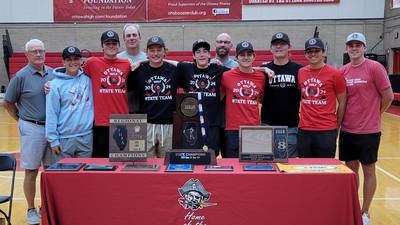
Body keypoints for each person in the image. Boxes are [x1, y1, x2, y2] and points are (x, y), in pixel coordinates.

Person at [339, 32, 394, 225]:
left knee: (369, 170)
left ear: (364, 47)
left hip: (369, 131)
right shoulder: (343, 71)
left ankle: (365, 211)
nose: (354, 48)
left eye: (358, 45)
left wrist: (375, 114)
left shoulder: (375, 68)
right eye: (351, 45)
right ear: (347, 48)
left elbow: (388, 97)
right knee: (351, 171)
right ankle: (353, 207)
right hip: (347, 130)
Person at [3, 39, 53, 224]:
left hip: (52, 128)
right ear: (26, 55)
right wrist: (21, 119)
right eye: (34, 51)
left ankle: (47, 206)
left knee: (51, 171)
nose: (38, 54)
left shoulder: (54, 74)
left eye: (41, 50)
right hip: (32, 127)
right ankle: (31, 209)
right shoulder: (20, 77)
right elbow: (7, 102)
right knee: (31, 170)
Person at [176, 39, 230, 156]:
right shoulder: (186, 68)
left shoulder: (218, 69)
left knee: (211, 157)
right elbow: (165, 62)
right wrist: (141, 62)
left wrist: (264, 69)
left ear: (209, 55)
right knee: (191, 156)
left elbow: (243, 70)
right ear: (193, 56)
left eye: (205, 51)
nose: (202, 54)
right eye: (198, 52)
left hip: (212, 123)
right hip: (191, 123)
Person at [83, 30, 131, 158]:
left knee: (122, 163)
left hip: (122, 121)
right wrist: (52, 82)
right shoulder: (92, 63)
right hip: (101, 122)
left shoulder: (126, 64)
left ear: (118, 45)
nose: (111, 46)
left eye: (114, 43)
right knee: (100, 164)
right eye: (107, 43)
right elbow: (73, 71)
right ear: (102, 46)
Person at [296, 37, 346, 158]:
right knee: (304, 169)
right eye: (309, 51)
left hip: (326, 130)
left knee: (325, 170)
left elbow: (343, 102)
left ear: (323, 52)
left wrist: (336, 126)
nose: (313, 54)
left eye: (316, 51)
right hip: (304, 130)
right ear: (305, 54)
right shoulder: (301, 72)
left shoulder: (335, 74)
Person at [127, 36, 177, 157]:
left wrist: (168, 61)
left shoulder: (174, 70)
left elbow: (188, 68)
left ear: (165, 52)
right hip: (146, 124)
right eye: (152, 50)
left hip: (169, 125)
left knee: (167, 164)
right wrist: (140, 63)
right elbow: (128, 94)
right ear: (147, 52)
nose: (155, 53)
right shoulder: (138, 71)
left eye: (159, 50)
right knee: (147, 165)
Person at [45, 46, 94, 162]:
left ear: (81, 61)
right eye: (69, 59)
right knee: (64, 177)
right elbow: (51, 112)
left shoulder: (89, 79)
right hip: (63, 139)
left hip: (86, 137)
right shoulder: (55, 85)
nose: (73, 62)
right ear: (63, 62)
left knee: (84, 177)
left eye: (76, 59)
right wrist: (53, 139)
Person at [261, 32, 303, 157]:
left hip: (291, 127)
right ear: (271, 48)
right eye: (275, 44)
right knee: (266, 164)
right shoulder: (264, 70)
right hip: (267, 126)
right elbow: (245, 69)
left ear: (289, 47)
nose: (278, 47)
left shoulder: (299, 70)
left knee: (288, 166)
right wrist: (262, 68)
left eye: (282, 44)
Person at [220, 41, 265, 158]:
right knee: (233, 168)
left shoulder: (261, 77)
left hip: (253, 129)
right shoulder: (226, 76)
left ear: (254, 56)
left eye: (249, 54)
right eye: (242, 55)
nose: (246, 57)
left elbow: (261, 99)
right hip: (233, 129)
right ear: (236, 58)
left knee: (253, 168)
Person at [210, 33, 239, 157]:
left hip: (230, 121)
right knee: (210, 157)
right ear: (215, 44)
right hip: (211, 120)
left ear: (231, 45)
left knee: (230, 158)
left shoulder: (237, 67)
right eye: (220, 41)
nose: (222, 44)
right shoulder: (206, 64)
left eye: (226, 42)